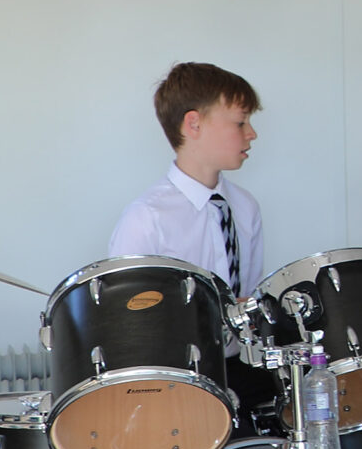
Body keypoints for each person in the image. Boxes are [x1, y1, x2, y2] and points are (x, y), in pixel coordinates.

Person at [107, 62, 265, 294]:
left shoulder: (245, 206)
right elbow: (127, 315)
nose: (252, 134)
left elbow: (251, 296)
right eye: (240, 123)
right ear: (194, 124)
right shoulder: (146, 219)